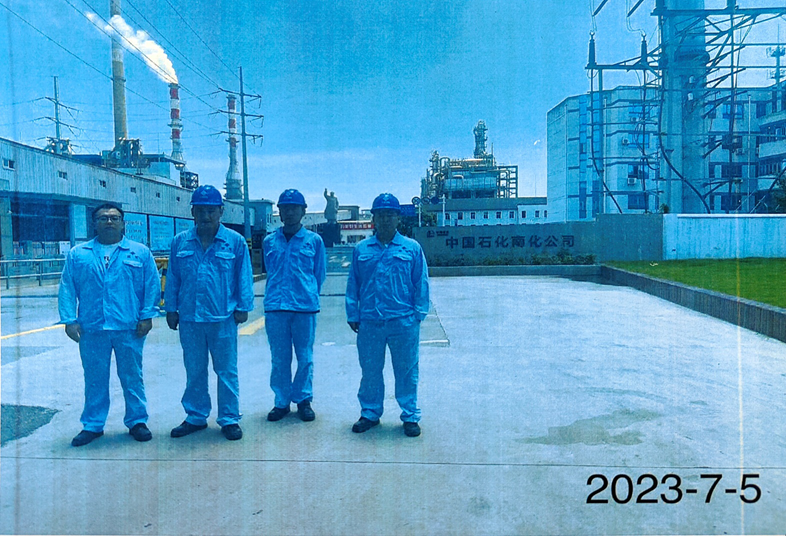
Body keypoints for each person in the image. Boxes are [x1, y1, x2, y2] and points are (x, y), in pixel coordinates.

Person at [59, 203, 160, 446]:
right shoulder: (79, 254)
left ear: (123, 223)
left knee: (132, 376)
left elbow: (151, 286)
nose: (109, 222)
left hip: (129, 327)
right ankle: (93, 424)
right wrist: (69, 320)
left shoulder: (139, 253)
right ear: (94, 223)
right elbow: (67, 288)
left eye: (114, 218)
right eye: (103, 218)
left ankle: (137, 421)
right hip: (92, 327)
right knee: (95, 378)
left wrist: (147, 316)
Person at [164, 185, 254, 441]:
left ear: (221, 211)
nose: (206, 216)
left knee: (226, 371)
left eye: (211, 210)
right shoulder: (180, 242)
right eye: (200, 210)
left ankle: (229, 418)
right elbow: (173, 278)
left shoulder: (235, 242)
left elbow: (244, 277)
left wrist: (243, 307)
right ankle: (195, 416)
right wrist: (171, 308)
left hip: (222, 318)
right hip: (190, 318)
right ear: (192, 212)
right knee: (194, 370)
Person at [346, 193, 429, 437]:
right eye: (380, 215)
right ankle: (370, 413)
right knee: (370, 370)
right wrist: (353, 313)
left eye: (390, 214)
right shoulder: (362, 249)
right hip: (370, 321)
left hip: (402, 321)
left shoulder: (411, 248)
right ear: (373, 218)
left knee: (406, 370)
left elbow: (421, 283)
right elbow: (353, 284)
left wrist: (418, 315)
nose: (385, 219)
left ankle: (410, 415)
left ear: (398, 218)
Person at [263, 189, 327, 422]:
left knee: (305, 357)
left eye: (294, 208)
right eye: (285, 208)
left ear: (303, 211)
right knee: (279, 358)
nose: (289, 212)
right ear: (279, 212)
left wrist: (306, 294)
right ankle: (281, 402)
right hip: (276, 308)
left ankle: (303, 400)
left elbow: (319, 274)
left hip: (304, 309)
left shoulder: (314, 241)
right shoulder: (269, 241)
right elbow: (270, 270)